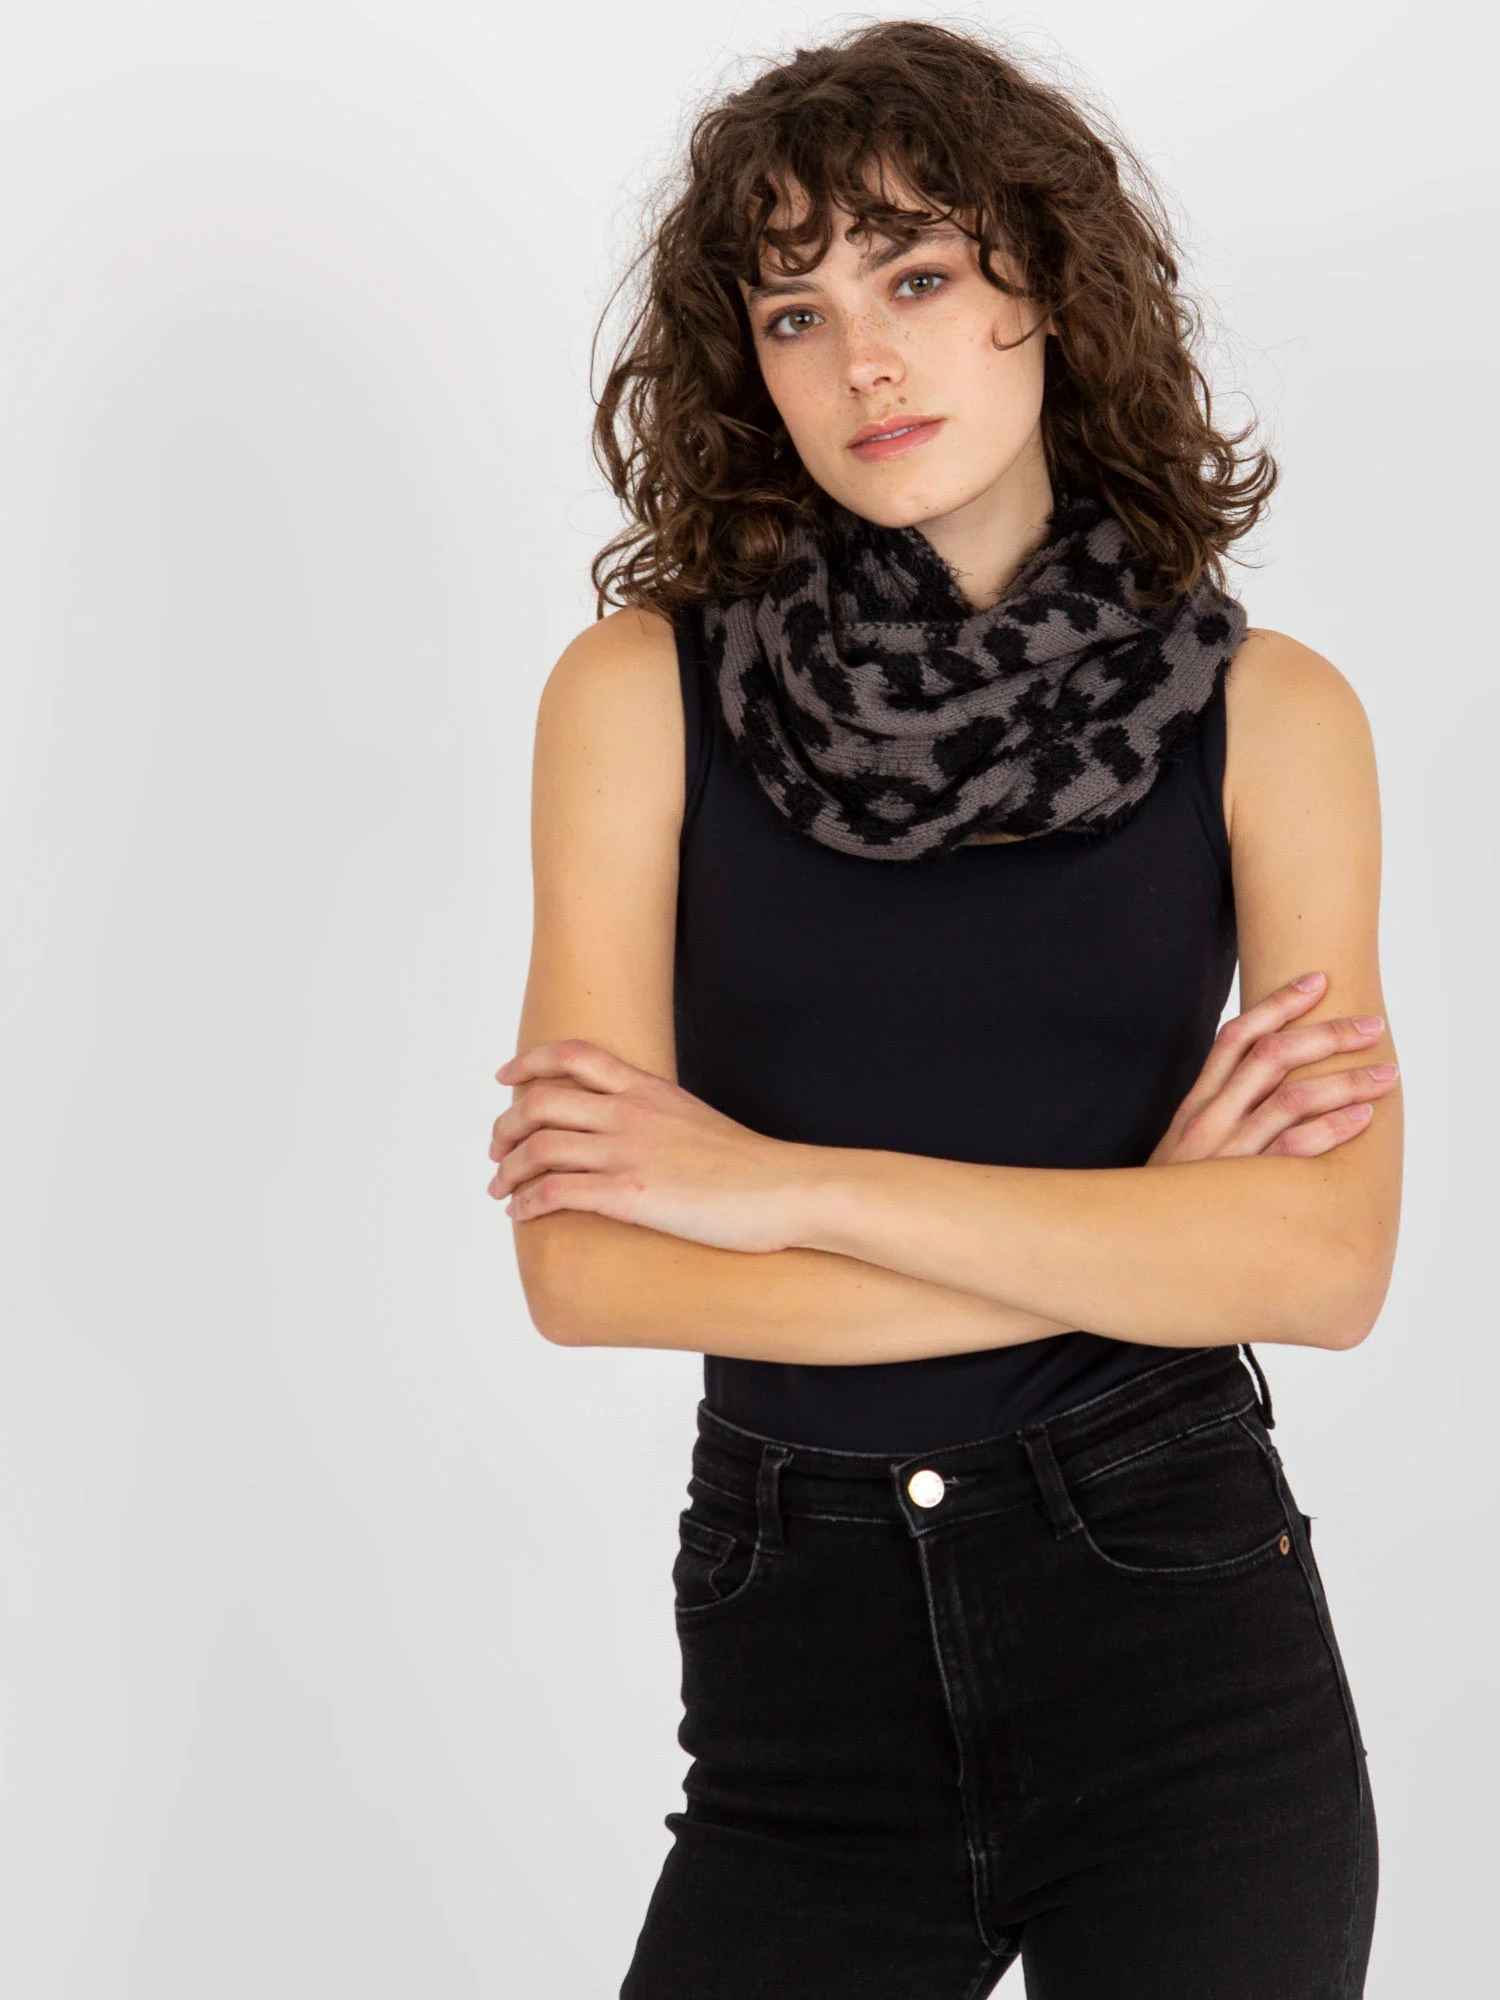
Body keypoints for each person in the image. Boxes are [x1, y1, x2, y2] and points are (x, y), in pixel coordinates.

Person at [486, 22, 1401, 1997]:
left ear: (1044, 289)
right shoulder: (638, 697)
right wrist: (1143, 1243)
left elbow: (1325, 1265)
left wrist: (778, 1187)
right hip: (800, 1661)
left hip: (1182, 1645)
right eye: (796, 314)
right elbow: (584, 1264)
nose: (864, 362)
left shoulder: (1272, 716)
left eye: (913, 279)